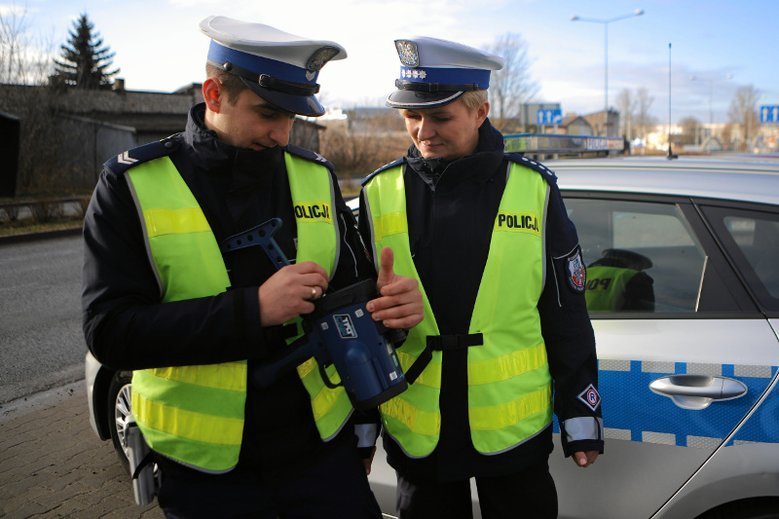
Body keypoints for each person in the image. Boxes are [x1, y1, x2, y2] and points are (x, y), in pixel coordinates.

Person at [82, 16, 422, 518]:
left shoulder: (313, 176)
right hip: (205, 474)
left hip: (320, 454)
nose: (281, 134)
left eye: (292, 118)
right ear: (214, 94)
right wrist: (253, 310)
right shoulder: (130, 185)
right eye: (267, 114)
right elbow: (109, 332)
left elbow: (349, 296)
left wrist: (386, 309)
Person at [358, 37, 604, 518]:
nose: (423, 131)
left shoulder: (534, 189)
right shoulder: (377, 192)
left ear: (480, 110)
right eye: (412, 116)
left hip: (513, 436)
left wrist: (581, 412)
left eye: (441, 116)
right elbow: (358, 324)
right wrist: (362, 425)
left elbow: (566, 313)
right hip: (418, 437)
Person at [585, 248, 655, 312]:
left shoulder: (583, 274)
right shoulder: (634, 277)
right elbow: (644, 316)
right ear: (634, 264)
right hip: (613, 325)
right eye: (640, 267)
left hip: (580, 324)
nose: (639, 270)